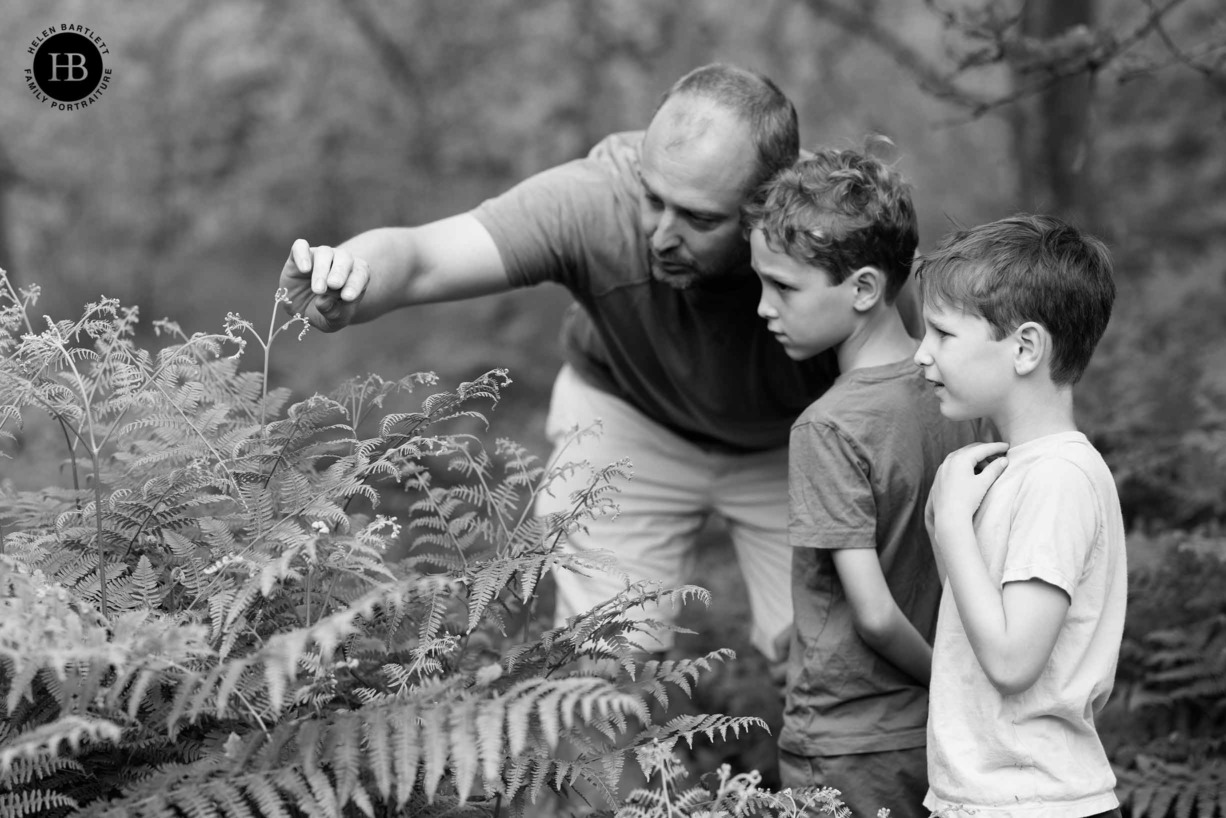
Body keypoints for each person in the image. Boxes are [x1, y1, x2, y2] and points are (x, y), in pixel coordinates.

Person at [278, 64, 875, 662]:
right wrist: (348, 278)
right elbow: (423, 257)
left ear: (768, 204)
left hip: (788, 443)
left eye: (699, 218)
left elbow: (893, 385)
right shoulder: (592, 201)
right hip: (626, 418)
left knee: (820, 665)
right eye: (652, 198)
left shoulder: (837, 242)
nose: (660, 235)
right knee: (605, 667)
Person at [743, 145, 980, 817]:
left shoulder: (829, 427)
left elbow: (875, 615)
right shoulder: (961, 394)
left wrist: (956, 686)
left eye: (784, 287)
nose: (763, 307)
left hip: (847, 742)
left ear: (866, 289)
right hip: (932, 739)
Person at [913, 214, 1125, 817]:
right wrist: (945, 525)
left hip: (1038, 804)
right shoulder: (1015, 471)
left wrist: (953, 524)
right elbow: (974, 631)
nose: (922, 354)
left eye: (943, 334)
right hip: (987, 798)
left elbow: (1012, 661)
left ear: (1026, 348)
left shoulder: (1060, 480)